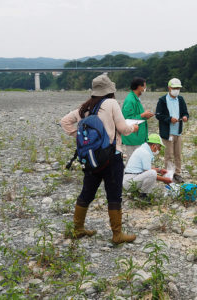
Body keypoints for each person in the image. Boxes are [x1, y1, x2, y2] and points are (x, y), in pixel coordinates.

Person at [60, 74, 139, 244]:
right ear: (110, 90)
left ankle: (78, 229)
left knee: (86, 193)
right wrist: (134, 127)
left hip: (90, 158)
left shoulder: (84, 108)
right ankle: (117, 234)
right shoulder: (111, 104)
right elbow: (123, 129)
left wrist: (81, 139)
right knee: (114, 196)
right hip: (112, 158)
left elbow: (64, 121)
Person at [155, 78, 189, 183]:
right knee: (168, 155)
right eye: (174, 88)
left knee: (178, 154)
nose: (176, 90)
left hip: (178, 132)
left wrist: (185, 117)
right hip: (167, 132)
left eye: (178, 88)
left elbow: (185, 112)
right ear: (169, 88)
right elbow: (158, 115)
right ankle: (168, 174)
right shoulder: (162, 100)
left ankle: (178, 173)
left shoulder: (181, 99)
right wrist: (169, 119)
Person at [123, 134, 173, 198]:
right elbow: (150, 173)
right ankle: (143, 195)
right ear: (153, 145)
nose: (159, 150)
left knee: (152, 172)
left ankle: (137, 193)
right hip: (129, 182)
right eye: (159, 147)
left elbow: (145, 168)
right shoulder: (145, 153)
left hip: (130, 180)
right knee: (152, 173)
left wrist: (159, 170)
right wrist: (165, 179)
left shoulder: (142, 149)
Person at [121, 77, 154, 161]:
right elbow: (127, 119)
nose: (145, 89)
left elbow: (137, 115)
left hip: (138, 137)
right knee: (132, 161)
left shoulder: (136, 98)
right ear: (139, 87)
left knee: (138, 161)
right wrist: (143, 115)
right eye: (144, 86)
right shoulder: (130, 100)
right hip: (133, 137)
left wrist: (145, 115)